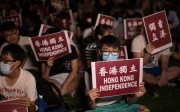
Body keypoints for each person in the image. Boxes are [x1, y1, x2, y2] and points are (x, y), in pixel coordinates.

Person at [85, 35, 149, 112]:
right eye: (106, 51)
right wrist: (91, 100)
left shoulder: (124, 69)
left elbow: (129, 102)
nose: (110, 54)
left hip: (120, 105)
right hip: (99, 109)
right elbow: (91, 107)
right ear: (100, 52)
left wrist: (136, 96)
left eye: (114, 51)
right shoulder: (90, 71)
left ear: (119, 52)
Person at [41, 28, 81, 96]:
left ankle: (59, 92)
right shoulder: (43, 51)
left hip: (69, 77)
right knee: (46, 83)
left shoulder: (71, 48)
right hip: (53, 79)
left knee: (79, 79)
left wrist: (65, 85)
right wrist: (48, 67)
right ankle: (68, 92)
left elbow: (74, 70)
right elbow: (43, 78)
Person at [0, 44, 37, 112]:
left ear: (17, 63)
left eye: (5, 60)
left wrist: (29, 105)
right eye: (1, 59)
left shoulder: (28, 79)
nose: (1, 63)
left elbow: (33, 110)